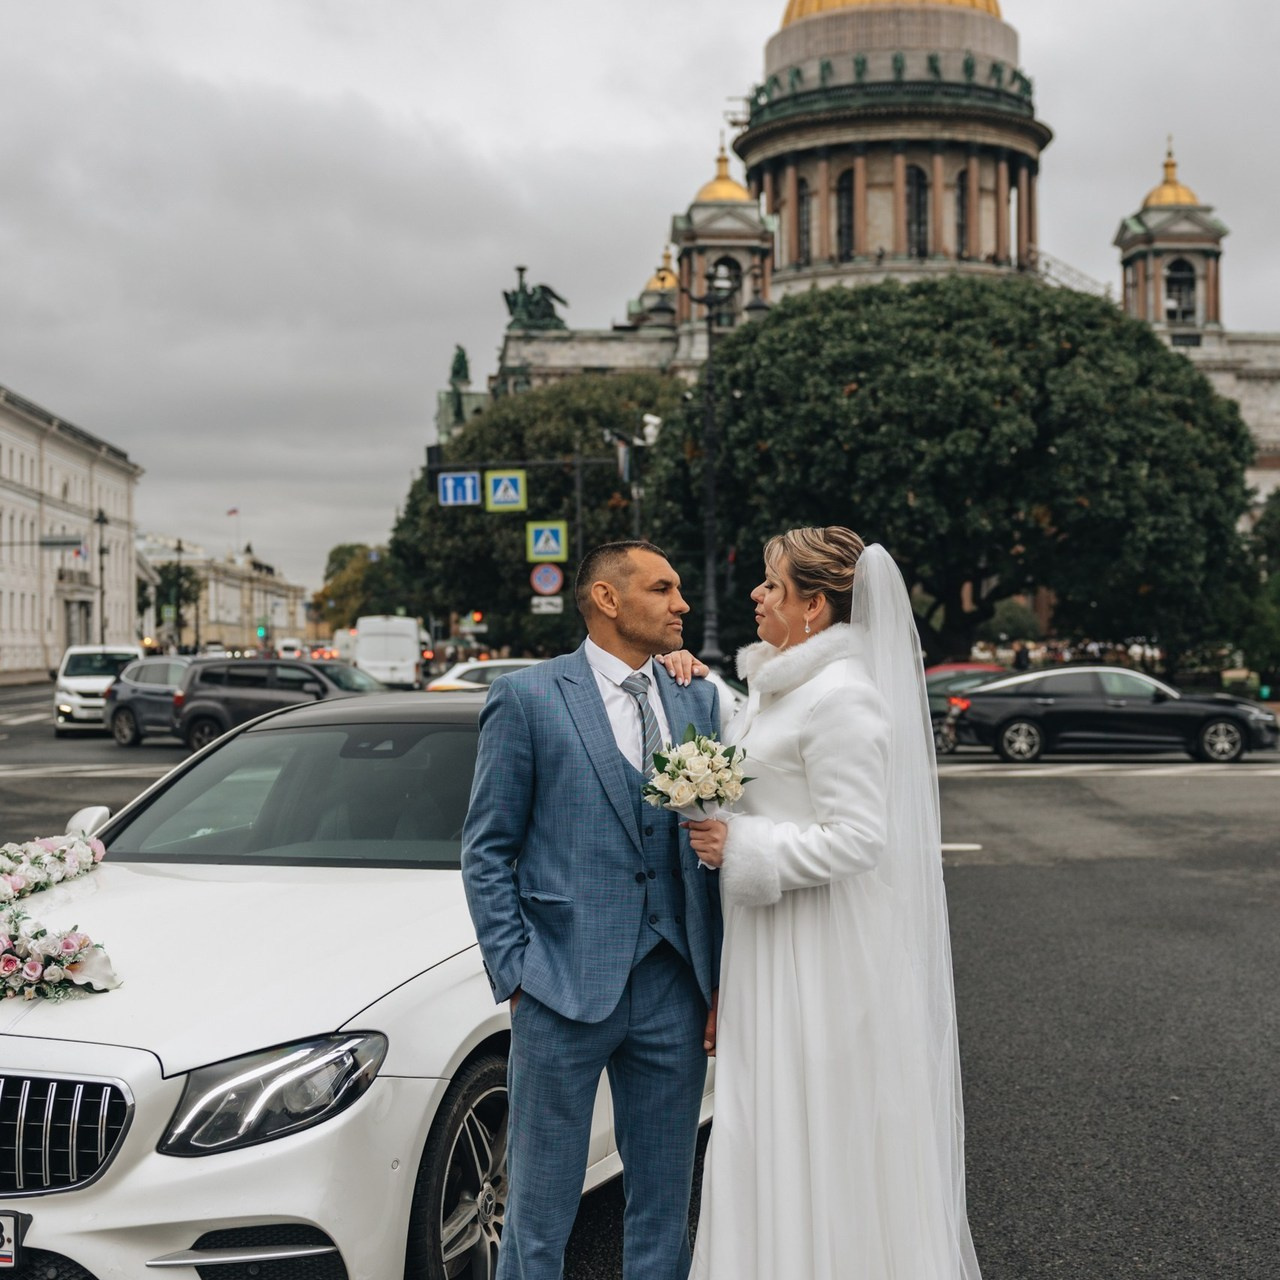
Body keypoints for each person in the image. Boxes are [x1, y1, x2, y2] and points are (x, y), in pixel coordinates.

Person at [683, 527, 983, 1280]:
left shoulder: (843, 697)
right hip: (767, 940)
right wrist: (688, 677)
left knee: (812, 1122)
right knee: (760, 1119)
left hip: (817, 951)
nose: (756, 595)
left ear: (813, 606)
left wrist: (742, 848)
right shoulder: (778, 690)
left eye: (771, 584)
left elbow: (859, 838)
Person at [462, 540, 722, 1280]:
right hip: (559, 985)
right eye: (662, 589)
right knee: (538, 1211)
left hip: (674, 985)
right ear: (607, 599)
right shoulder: (527, 697)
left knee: (664, 1206)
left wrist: (717, 979)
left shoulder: (696, 697)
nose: (682, 604)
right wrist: (516, 971)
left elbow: (709, 841)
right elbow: (487, 849)